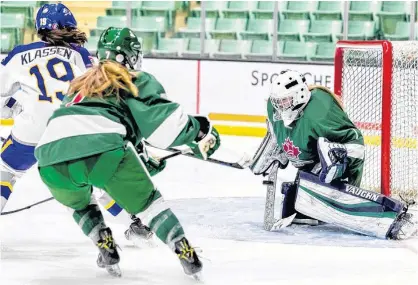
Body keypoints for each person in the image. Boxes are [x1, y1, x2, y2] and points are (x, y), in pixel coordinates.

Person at [34, 27, 220, 278]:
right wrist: (200, 131)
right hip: (103, 150)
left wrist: (139, 156)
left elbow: (93, 121)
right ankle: (182, 248)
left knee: (79, 204)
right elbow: (166, 127)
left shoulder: (80, 83)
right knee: (149, 204)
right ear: (128, 56)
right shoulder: (131, 78)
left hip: (50, 158)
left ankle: (104, 242)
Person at [250, 70, 417, 239]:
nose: (280, 106)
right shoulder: (274, 108)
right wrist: (273, 153)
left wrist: (336, 157)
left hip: (346, 156)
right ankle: (319, 185)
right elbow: (277, 132)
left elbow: (355, 144)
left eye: (285, 101)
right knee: (295, 204)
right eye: (278, 102)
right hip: (312, 163)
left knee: (323, 178)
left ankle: (387, 216)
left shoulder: (319, 111)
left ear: (299, 95)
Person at [0, 3, 92, 213]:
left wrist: (11, 107)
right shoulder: (82, 54)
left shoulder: (20, 53)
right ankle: (134, 224)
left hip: (30, 131)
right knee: (94, 179)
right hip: (70, 130)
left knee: (5, 170)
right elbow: (98, 93)